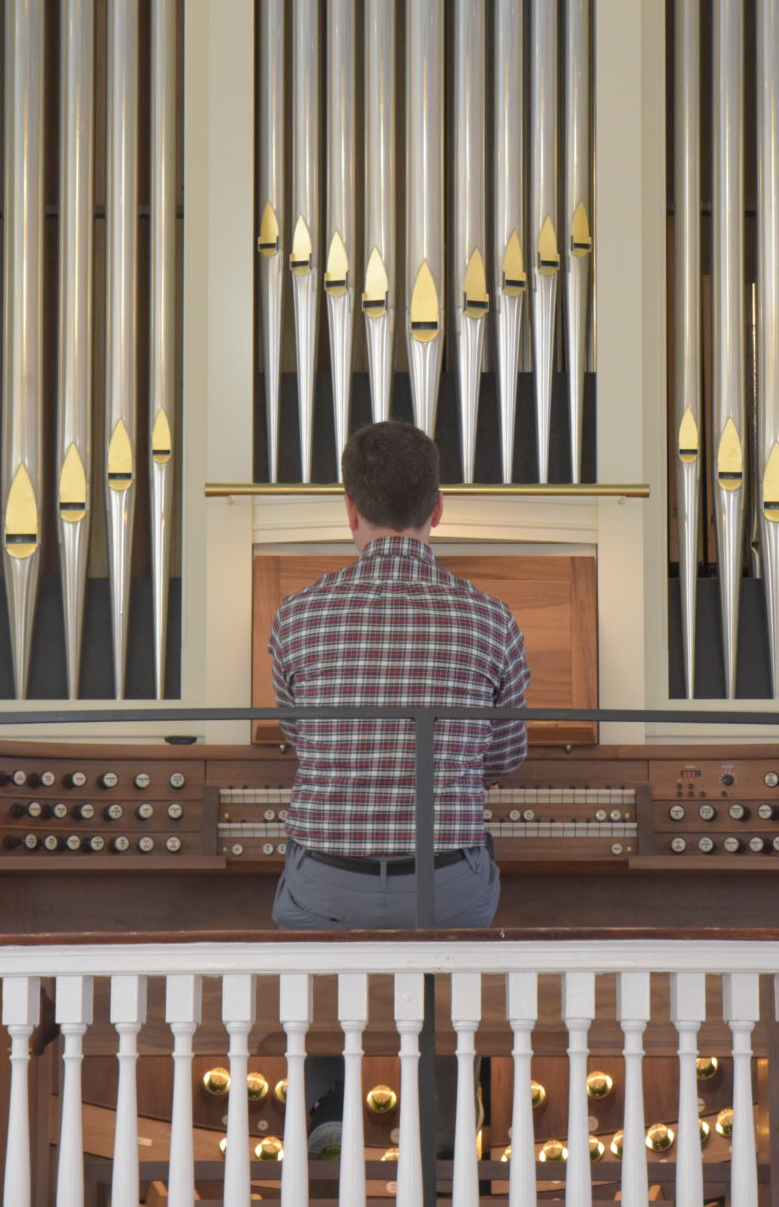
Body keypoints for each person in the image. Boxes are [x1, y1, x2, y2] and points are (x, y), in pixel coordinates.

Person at [267, 418, 531, 1156]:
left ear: (349, 508)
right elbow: (506, 757)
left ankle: (329, 1101)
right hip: (443, 889)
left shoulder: (297, 616)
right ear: (438, 508)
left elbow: (299, 740)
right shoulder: (492, 618)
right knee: (466, 905)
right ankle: (448, 1122)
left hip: (328, 891)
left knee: (301, 889)